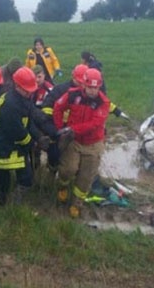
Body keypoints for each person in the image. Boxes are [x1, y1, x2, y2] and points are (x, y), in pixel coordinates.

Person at [53, 68, 110, 218]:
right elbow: (58, 108)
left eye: (96, 87)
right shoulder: (72, 95)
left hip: (93, 143)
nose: (93, 91)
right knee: (67, 169)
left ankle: (76, 203)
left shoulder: (103, 103)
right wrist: (60, 129)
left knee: (86, 178)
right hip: (74, 141)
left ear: (100, 86)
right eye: (90, 87)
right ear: (83, 84)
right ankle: (62, 186)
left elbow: (95, 124)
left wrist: (72, 129)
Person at [0, 67, 41, 205]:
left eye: (31, 90)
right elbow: (17, 131)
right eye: (27, 90)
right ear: (17, 86)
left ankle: (11, 203)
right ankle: (2, 205)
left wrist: (39, 136)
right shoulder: (11, 104)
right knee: (4, 181)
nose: (30, 93)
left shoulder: (21, 98)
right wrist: (32, 143)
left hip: (11, 146)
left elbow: (28, 121)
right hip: (1, 149)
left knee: (25, 179)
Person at [80, 51, 130, 121]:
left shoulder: (91, 68)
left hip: (98, 91)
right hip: (99, 90)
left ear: (84, 59)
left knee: (98, 107)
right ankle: (120, 114)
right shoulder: (94, 64)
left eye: (81, 59)